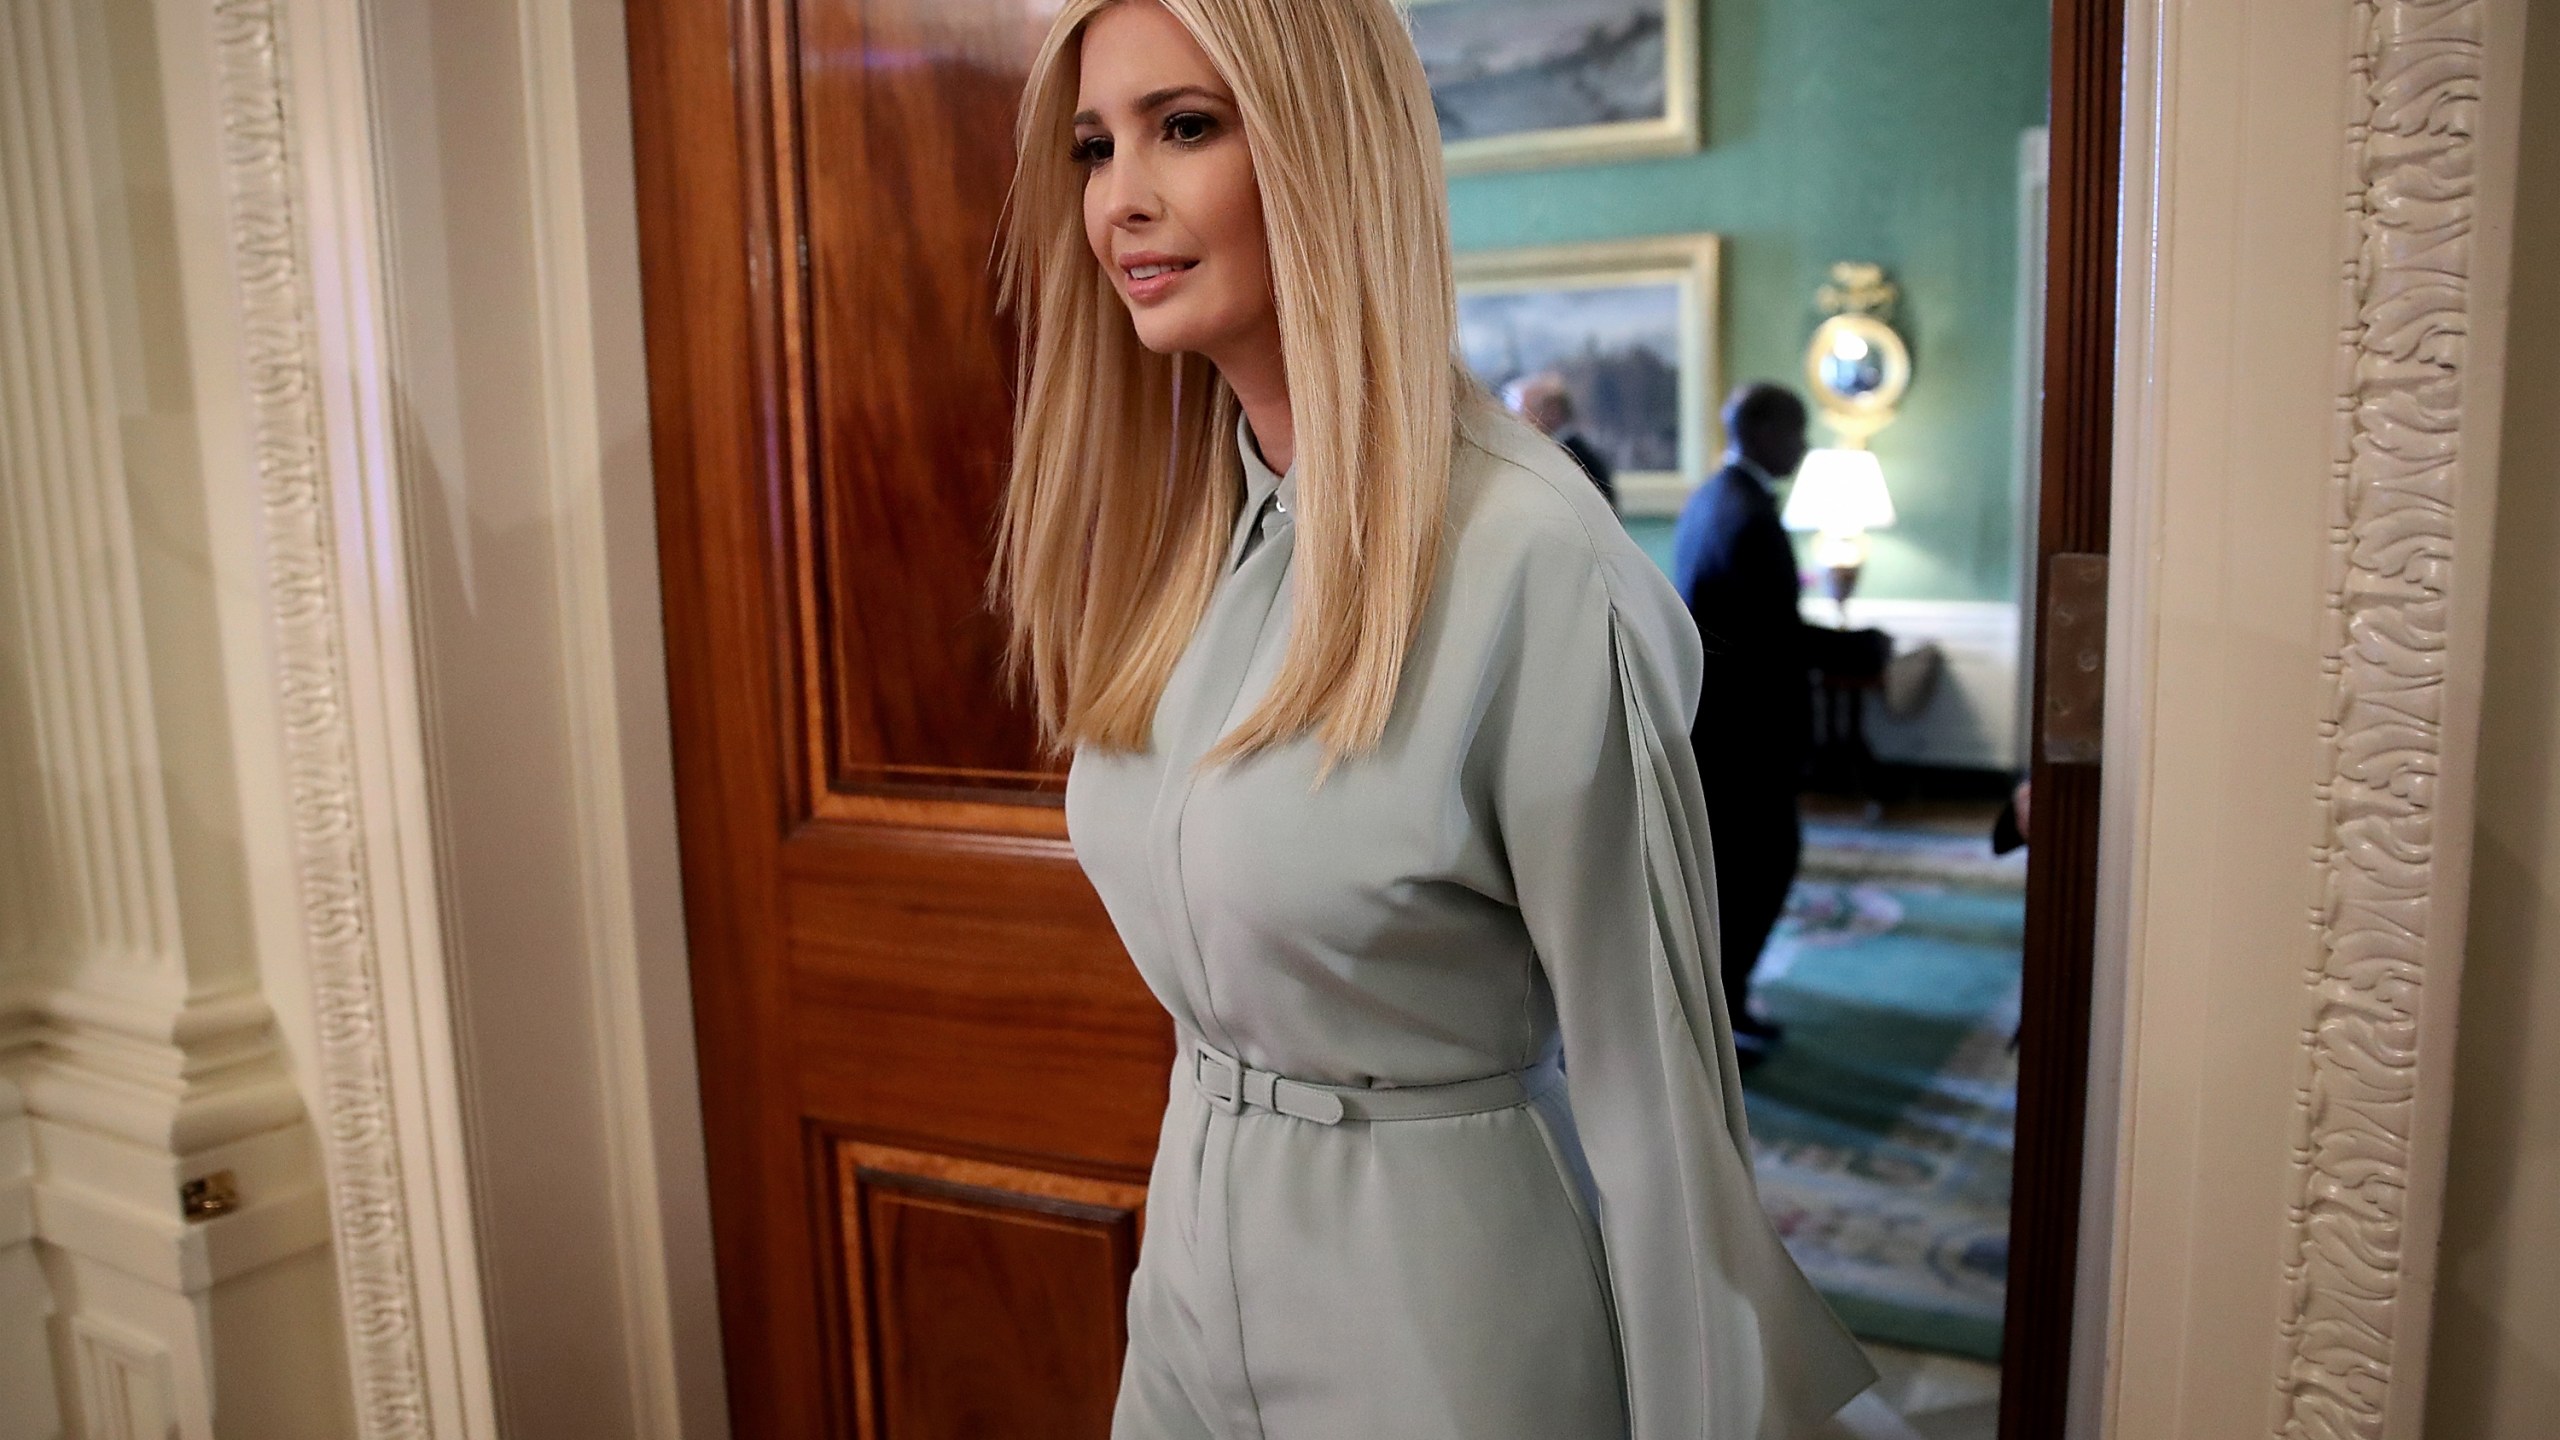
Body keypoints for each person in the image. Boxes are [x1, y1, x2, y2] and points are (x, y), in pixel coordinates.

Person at [995, 3, 1874, 1435]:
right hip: (1189, 1281)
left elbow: (1659, 1111)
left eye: (1187, 126)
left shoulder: (1529, 559)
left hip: (1442, 1309)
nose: (1120, 200)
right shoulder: (1177, 546)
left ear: (1328, 146)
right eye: (1097, 147)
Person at [1670, 384, 1888, 1064]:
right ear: (1760, 430)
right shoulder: (1747, 514)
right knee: (1757, 873)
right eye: (1795, 431)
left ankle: (1724, 1010)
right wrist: (1858, 647)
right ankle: (1722, 1021)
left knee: (1736, 874)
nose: (1800, 446)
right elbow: (1770, 637)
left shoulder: (1714, 498)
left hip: (1720, 725)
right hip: (1746, 733)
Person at [1503, 371, 1617, 508]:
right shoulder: (1571, 453)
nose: (1518, 420)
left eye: (1523, 410)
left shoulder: (1574, 458)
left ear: (1553, 411)